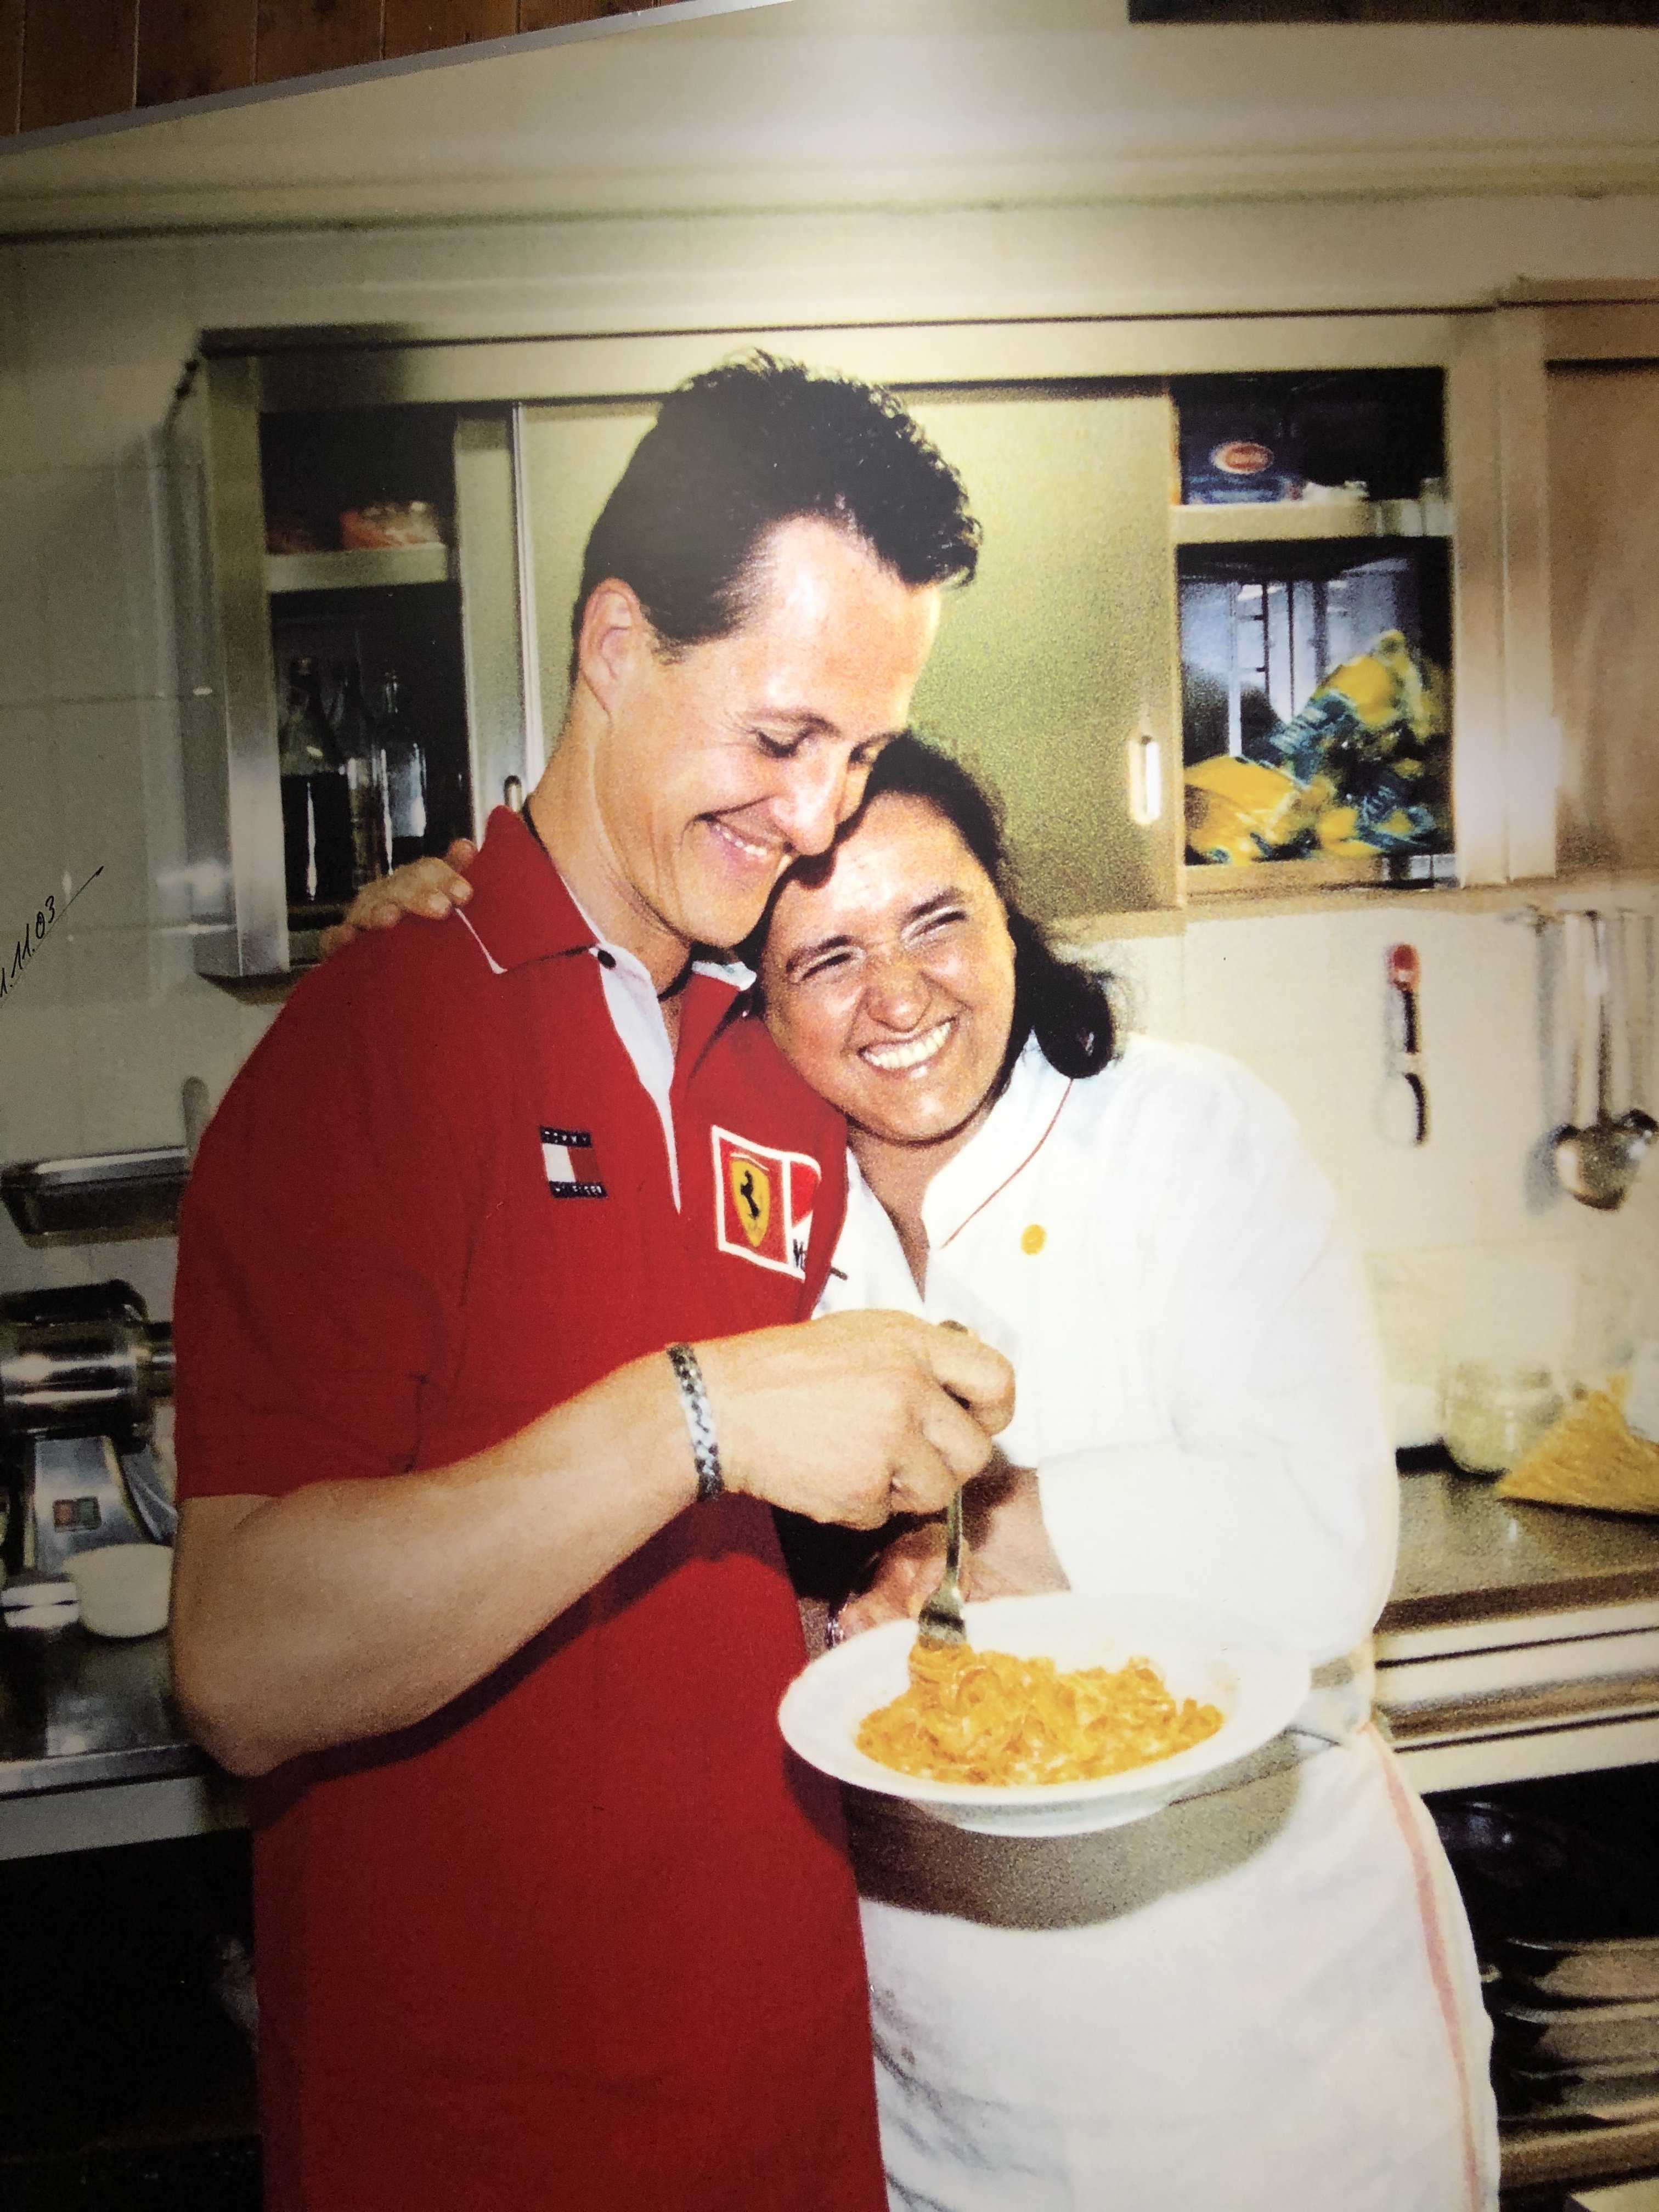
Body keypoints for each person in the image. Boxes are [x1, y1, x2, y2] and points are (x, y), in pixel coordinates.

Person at [358, 733, 1500, 2211]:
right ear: (757, 999)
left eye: (938, 921)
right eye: (828, 958)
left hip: (1269, 2046)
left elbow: (1319, 1541)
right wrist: (435, 954)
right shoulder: (735, 1214)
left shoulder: (1183, 1131)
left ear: (1007, 915)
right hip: (936, 2071)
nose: (899, 998)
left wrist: (964, 1542)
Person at [168, 359, 1015, 2212]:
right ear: (617, 644)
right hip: (483, 2142)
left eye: (862, 751)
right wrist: (694, 1417)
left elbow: (728, 1570)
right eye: (783, 735)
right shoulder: (372, 1051)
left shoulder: (777, 1057)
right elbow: (237, 1666)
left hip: (790, 2104)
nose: (819, 815)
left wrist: (862, 1583)